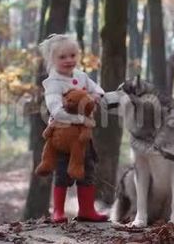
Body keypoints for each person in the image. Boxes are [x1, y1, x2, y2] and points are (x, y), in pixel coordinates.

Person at [39, 34, 108, 223]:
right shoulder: (53, 83)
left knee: (87, 169)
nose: (69, 60)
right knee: (63, 171)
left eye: (72, 55)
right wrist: (80, 119)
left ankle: (86, 209)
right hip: (62, 137)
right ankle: (58, 211)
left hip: (82, 137)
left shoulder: (81, 76)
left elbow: (99, 90)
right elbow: (56, 110)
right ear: (52, 60)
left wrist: (95, 96)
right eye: (62, 57)